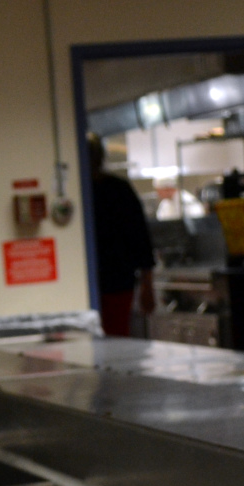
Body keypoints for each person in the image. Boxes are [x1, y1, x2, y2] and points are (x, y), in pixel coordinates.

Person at [87, 131, 156, 337]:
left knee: (112, 338)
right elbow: (141, 239)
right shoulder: (115, 189)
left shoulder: (116, 190)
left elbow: (140, 239)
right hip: (113, 281)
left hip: (115, 282)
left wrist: (147, 284)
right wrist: (147, 284)